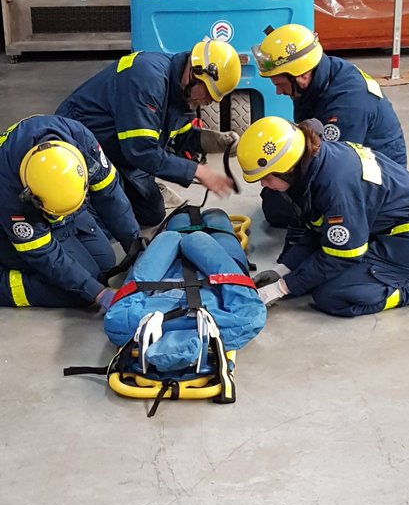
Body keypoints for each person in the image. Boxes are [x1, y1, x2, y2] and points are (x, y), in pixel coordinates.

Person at [236, 116, 409, 317]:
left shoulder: (336, 188)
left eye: (267, 178)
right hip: (386, 225)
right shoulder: (315, 167)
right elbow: (317, 230)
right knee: (310, 276)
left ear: (288, 168)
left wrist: (282, 288)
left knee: (334, 295)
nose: (263, 184)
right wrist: (283, 270)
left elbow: (341, 255)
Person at [55, 39, 242, 226]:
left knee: (152, 213)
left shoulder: (180, 92)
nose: (209, 101)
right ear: (195, 73)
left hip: (118, 149)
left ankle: (117, 192)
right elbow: (141, 149)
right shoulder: (147, 79)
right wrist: (198, 171)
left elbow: (179, 136)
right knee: (106, 222)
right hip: (80, 146)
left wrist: (216, 142)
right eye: (209, 92)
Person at [252, 24, 407, 228]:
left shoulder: (347, 104)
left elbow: (332, 165)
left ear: (302, 75)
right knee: (276, 189)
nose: (278, 92)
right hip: (360, 158)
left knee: (278, 205)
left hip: (379, 182)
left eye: (281, 85)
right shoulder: (320, 78)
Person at [0, 114, 142, 309]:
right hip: (7, 230)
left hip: (58, 215)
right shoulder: (8, 190)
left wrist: (136, 247)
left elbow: (111, 197)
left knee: (104, 261)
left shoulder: (80, 139)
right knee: (79, 293)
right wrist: (97, 293)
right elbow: (41, 252)